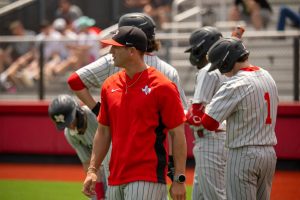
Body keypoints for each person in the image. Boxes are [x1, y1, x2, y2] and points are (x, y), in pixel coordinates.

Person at [67, 12, 188, 182]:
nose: (112, 49)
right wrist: (177, 173)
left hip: (117, 152)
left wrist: (97, 109)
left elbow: (75, 81)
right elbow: (179, 121)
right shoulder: (168, 71)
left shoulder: (112, 61)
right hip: (153, 153)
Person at [201, 37, 278, 199]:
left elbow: (208, 123)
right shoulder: (267, 75)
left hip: (243, 154)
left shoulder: (234, 84)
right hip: (269, 153)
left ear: (226, 61)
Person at [184, 26, 227, 200]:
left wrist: (176, 112)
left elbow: (195, 117)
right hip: (219, 138)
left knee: (214, 197)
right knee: (199, 197)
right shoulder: (227, 68)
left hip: (210, 139)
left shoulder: (207, 71)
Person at [48, 94, 108, 200]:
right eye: (65, 124)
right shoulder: (69, 134)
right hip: (101, 166)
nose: (70, 126)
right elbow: (87, 162)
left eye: (70, 121)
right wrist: (99, 194)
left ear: (77, 112)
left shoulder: (94, 115)